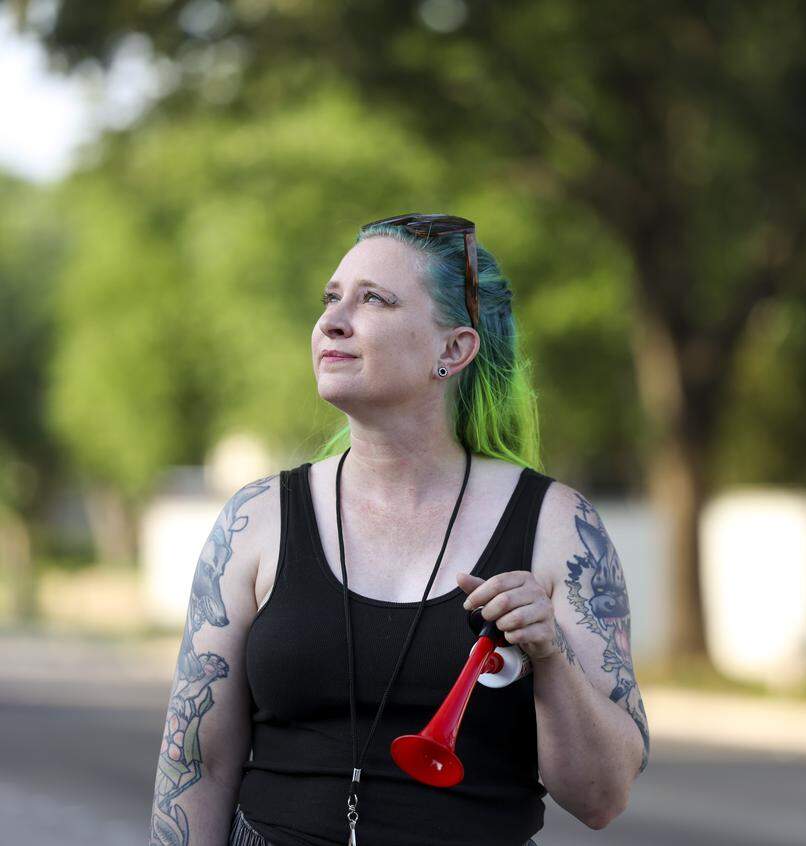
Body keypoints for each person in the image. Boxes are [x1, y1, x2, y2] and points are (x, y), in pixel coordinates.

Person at [148, 214, 650, 846]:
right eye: (331, 298)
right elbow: (196, 765)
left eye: (374, 300)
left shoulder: (559, 528)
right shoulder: (257, 521)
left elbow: (602, 799)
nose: (332, 322)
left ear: (453, 350)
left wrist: (551, 656)